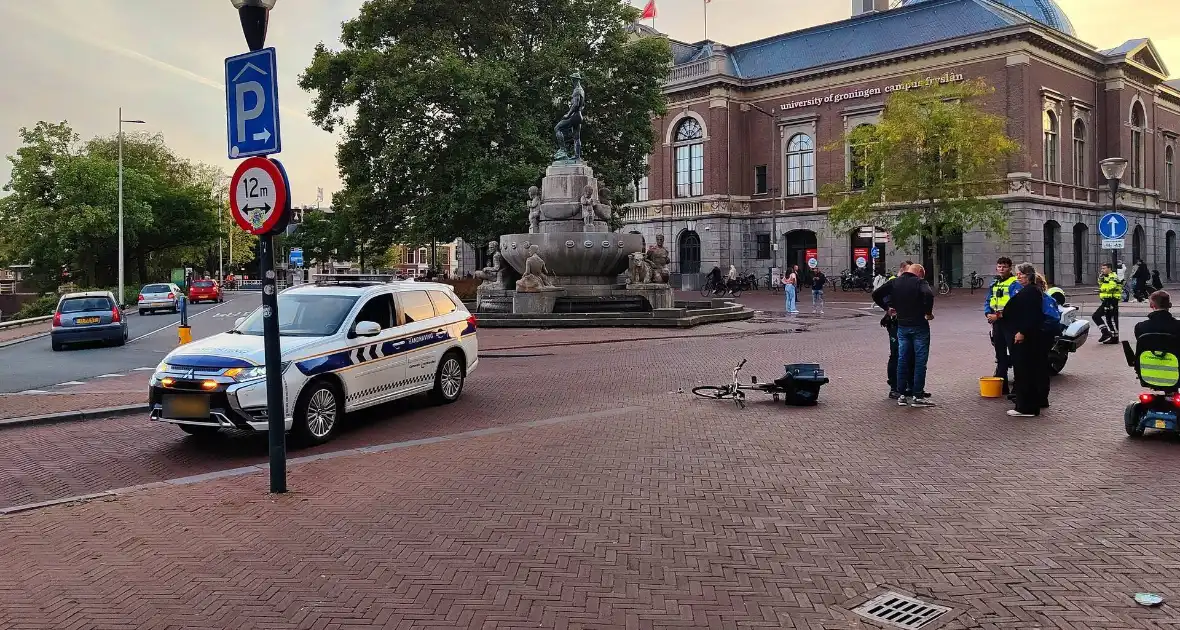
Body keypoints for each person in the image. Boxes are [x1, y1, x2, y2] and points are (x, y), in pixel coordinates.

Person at [872, 262, 935, 407]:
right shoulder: (920, 282)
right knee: (920, 361)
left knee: (902, 359)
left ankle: (901, 395)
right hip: (919, 326)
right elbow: (928, 294)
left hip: (902, 325)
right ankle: (917, 395)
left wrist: (887, 308)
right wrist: (928, 312)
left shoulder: (895, 282)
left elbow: (876, 294)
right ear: (919, 272)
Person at [1003, 263, 1048, 417]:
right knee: (1023, 370)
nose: (1018, 277)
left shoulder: (1031, 292)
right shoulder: (1030, 291)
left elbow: (1032, 315)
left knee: (1025, 370)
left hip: (1027, 338)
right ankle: (1026, 405)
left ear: (1028, 275)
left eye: (1020, 274)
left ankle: (1026, 407)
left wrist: (1022, 332)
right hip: (1024, 334)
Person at [876, 260, 918, 400]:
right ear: (902, 270)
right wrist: (887, 308)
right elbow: (879, 295)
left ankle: (910, 386)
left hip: (908, 322)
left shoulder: (909, 283)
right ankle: (894, 387)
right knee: (896, 354)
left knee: (910, 353)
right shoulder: (894, 282)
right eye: (907, 271)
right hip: (895, 324)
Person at [984, 257, 1022, 396]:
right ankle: (1002, 385)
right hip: (997, 323)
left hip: (1010, 323)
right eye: (999, 266)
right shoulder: (994, 282)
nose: (1001, 269)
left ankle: (1018, 388)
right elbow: (989, 299)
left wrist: (998, 316)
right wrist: (988, 313)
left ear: (1010, 268)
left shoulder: (1014, 284)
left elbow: (1015, 306)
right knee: (1000, 355)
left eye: (1004, 267)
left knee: (1015, 354)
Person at [1094, 262, 1122, 344]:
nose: (1102, 270)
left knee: (1110, 318)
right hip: (1106, 300)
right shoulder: (1106, 276)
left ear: (1109, 269)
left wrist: (1101, 290)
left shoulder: (1112, 277)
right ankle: (1108, 334)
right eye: (1102, 268)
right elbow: (1101, 283)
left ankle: (1111, 336)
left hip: (1111, 300)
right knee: (1108, 318)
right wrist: (1101, 278)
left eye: (1104, 268)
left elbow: (1112, 287)